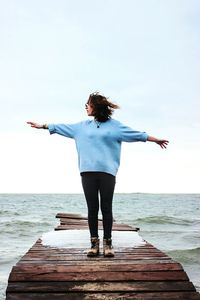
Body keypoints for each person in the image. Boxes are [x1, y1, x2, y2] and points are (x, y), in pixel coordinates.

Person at [27, 92, 169, 257]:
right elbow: (59, 127)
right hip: (87, 173)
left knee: (106, 208)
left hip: (107, 173)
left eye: (88, 104)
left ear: (96, 106)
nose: (86, 107)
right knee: (92, 209)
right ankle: (94, 244)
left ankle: (108, 244)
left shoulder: (115, 126)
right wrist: (41, 126)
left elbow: (137, 134)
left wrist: (156, 140)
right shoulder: (81, 127)